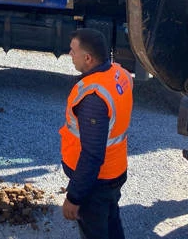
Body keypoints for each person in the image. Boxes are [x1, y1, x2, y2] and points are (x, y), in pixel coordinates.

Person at [59, 28, 133, 239]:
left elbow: (92, 155)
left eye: (73, 51)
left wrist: (74, 197)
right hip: (115, 170)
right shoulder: (119, 73)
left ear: (88, 58)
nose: (70, 55)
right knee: (111, 224)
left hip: (96, 183)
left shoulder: (93, 97)